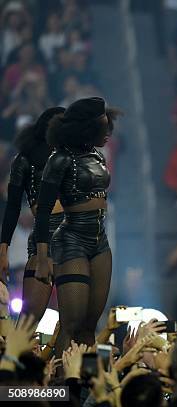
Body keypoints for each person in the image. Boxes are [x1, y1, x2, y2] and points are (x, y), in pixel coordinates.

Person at [34, 96, 120, 357]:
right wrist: (42, 257)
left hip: (100, 241)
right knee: (70, 325)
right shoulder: (59, 160)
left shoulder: (98, 154)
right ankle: (60, 390)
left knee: (89, 326)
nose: (108, 134)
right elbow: (43, 210)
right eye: (103, 128)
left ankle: (83, 390)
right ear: (87, 129)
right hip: (72, 240)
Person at [0, 106, 65, 324]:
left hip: (76, 236)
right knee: (29, 320)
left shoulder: (75, 157)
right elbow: (12, 208)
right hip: (43, 237)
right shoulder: (25, 160)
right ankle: (15, 356)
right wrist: (3, 250)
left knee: (72, 321)